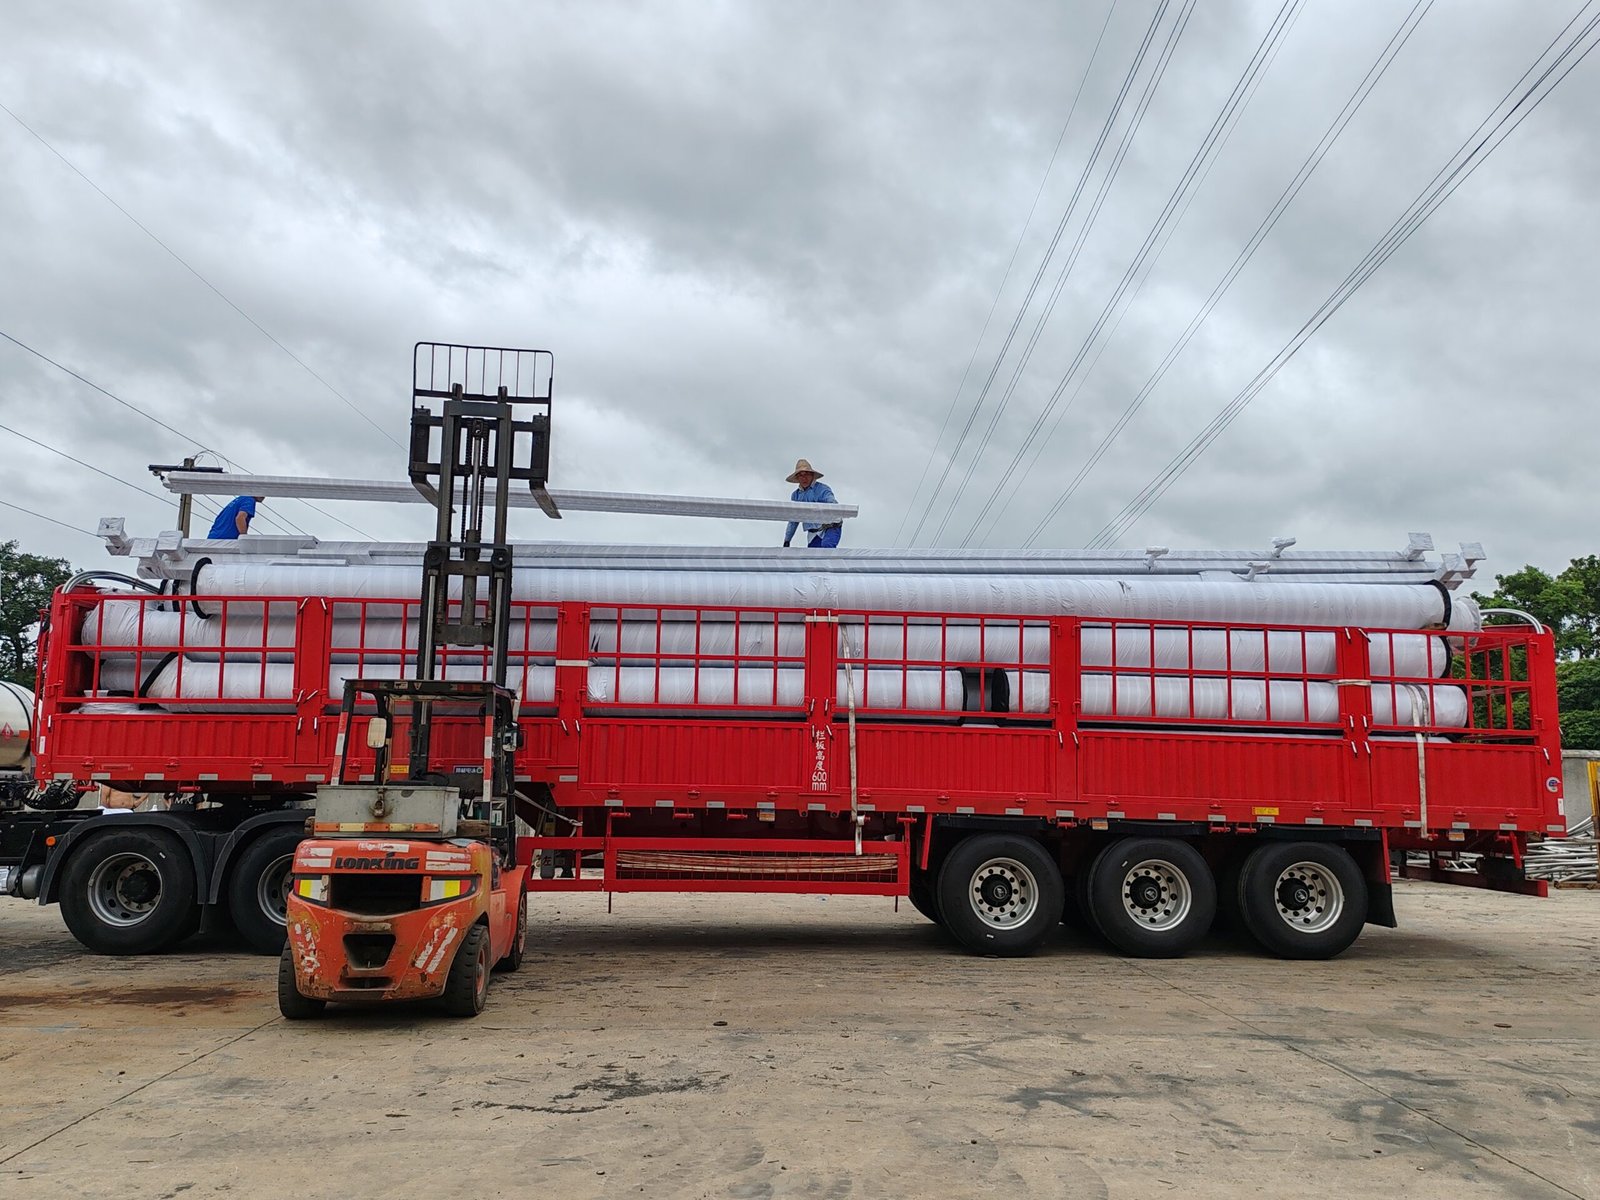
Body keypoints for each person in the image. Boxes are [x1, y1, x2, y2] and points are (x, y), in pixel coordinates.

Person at [782, 459, 842, 549]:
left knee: (827, 547)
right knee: (814, 557)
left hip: (831, 526)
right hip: (813, 532)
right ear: (797, 478)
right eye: (800, 475)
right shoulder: (796, 496)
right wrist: (787, 540)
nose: (804, 478)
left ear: (812, 476)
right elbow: (793, 520)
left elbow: (832, 503)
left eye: (807, 474)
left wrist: (819, 510)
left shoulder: (822, 489)